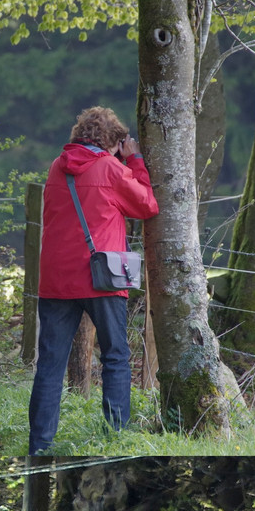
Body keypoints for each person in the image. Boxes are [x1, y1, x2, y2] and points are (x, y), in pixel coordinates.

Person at [29, 106, 159, 454]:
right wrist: (134, 162)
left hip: (56, 279)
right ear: (113, 142)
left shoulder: (57, 167)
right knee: (115, 357)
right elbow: (147, 206)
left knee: (50, 364)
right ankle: (115, 441)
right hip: (102, 276)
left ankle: (39, 446)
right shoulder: (111, 168)